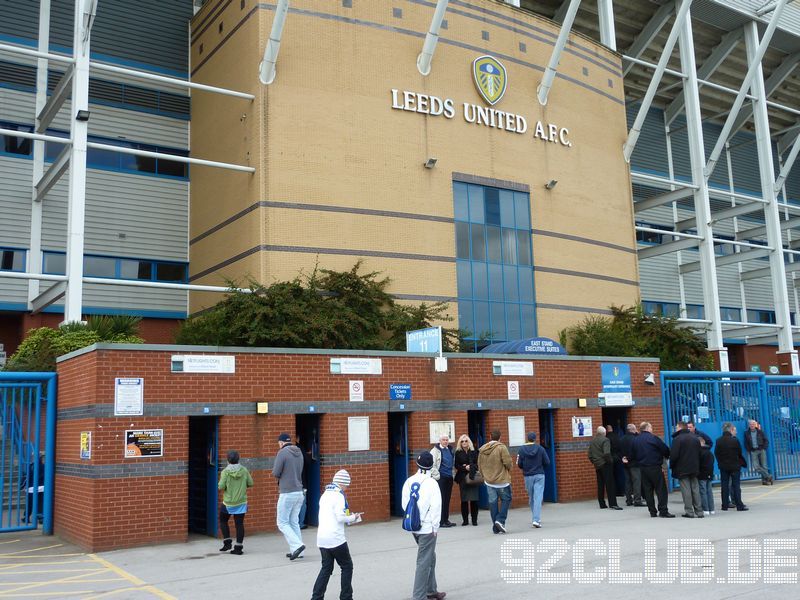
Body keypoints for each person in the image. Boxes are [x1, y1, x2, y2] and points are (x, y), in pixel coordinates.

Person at [311, 470, 363, 600]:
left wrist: (349, 517)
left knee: (326, 569)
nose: (347, 488)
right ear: (343, 483)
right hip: (335, 539)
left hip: (322, 538)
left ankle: (316, 597)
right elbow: (340, 518)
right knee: (347, 566)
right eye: (347, 485)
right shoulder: (339, 496)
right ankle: (346, 597)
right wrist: (353, 517)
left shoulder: (325, 494)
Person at [402, 451, 445, 600]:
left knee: (430, 557)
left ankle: (431, 589)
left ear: (417, 463)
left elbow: (404, 505)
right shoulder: (432, 483)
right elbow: (436, 507)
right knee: (424, 561)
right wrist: (435, 527)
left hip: (414, 527)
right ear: (431, 465)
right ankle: (419, 596)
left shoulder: (409, 481)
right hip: (427, 528)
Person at [273, 432, 306, 560]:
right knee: (294, 521)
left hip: (287, 492)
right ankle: (298, 551)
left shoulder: (282, 452)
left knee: (282, 522)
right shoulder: (299, 452)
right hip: (299, 491)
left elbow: (276, 472)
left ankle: (298, 545)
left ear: (281, 442)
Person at [631, 422, 675, 518]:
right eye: (651, 427)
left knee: (648, 490)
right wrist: (666, 456)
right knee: (661, 489)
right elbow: (665, 449)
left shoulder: (635, 440)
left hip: (642, 468)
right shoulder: (654, 438)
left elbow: (632, 454)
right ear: (647, 428)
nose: (652, 429)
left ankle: (652, 511)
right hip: (655, 467)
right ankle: (663, 510)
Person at [217, 449, 254, 555]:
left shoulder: (225, 472)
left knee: (223, 521)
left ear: (228, 460)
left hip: (228, 502)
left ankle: (227, 542)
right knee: (239, 524)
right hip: (241, 502)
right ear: (238, 459)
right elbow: (251, 483)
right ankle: (238, 548)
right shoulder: (244, 470)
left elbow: (221, 486)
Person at [478, 429, 513, 533]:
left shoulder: (482, 449)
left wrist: (484, 476)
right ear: (500, 437)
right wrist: (509, 469)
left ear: (490, 437)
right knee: (506, 500)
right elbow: (508, 462)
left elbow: (479, 465)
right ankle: (500, 520)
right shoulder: (501, 447)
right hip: (502, 481)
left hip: (489, 481)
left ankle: (496, 527)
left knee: (493, 503)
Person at [670, 421, 703, 518]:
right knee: (695, 489)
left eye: (676, 427)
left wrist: (672, 466)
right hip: (694, 467)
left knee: (686, 490)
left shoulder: (677, 439)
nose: (676, 429)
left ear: (680, 427)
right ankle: (699, 511)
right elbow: (700, 453)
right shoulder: (695, 438)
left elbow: (674, 455)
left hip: (682, 468)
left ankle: (689, 511)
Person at [517, 431, 550, 528]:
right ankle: (536, 519)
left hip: (528, 476)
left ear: (527, 438)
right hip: (539, 475)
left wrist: (525, 466)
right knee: (538, 497)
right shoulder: (540, 449)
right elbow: (547, 462)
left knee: (532, 497)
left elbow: (519, 464)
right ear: (535, 439)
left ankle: (535, 517)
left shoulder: (522, 449)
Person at [715, 423, 749, 511]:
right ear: (730, 430)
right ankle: (739, 505)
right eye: (734, 430)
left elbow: (717, 453)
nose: (736, 432)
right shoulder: (735, 440)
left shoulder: (719, 440)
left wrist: (720, 463)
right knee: (736, 485)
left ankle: (725, 505)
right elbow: (739, 452)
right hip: (735, 466)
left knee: (724, 485)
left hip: (723, 466)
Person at [588, 426, 621, 510]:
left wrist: (595, 462)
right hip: (605, 464)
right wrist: (610, 462)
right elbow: (607, 453)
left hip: (597, 465)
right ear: (604, 433)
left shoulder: (593, 441)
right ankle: (613, 504)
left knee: (600, 484)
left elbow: (590, 455)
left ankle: (602, 503)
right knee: (610, 484)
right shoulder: (605, 440)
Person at [454, 434, 479, 526]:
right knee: (464, 500)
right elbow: (456, 465)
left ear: (469, 442)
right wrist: (465, 468)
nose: (464, 442)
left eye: (466, 441)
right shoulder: (458, 452)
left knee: (474, 500)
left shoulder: (474, 451)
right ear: (460, 443)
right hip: (462, 478)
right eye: (462, 441)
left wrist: (470, 466)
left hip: (473, 478)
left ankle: (474, 520)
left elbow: (478, 464)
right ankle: (465, 520)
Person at [430, 434, 456, 527]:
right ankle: (441, 521)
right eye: (443, 440)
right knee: (441, 500)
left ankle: (446, 519)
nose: (445, 441)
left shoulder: (449, 449)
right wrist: (437, 476)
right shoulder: (435, 451)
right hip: (441, 478)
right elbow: (431, 465)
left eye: (446, 440)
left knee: (447, 499)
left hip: (449, 477)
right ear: (440, 441)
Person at [619, 424, 644, 507]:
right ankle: (637, 500)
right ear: (634, 429)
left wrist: (623, 458)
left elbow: (619, 451)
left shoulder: (622, 439)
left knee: (628, 482)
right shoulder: (635, 439)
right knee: (636, 481)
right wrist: (629, 458)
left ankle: (628, 500)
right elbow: (635, 452)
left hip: (625, 463)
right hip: (635, 463)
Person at [744, 419, 773, 485]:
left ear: (756, 425)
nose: (752, 425)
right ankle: (768, 476)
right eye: (751, 424)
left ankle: (765, 481)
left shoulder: (760, 432)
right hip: (753, 451)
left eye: (753, 424)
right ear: (749, 425)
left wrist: (764, 448)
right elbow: (746, 442)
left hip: (761, 450)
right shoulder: (746, 433)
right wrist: (749, 449)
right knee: (756, 467)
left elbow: (766, 440)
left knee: (764, 466)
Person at [698, 437, 715, 516]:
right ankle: (712, 509)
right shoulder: (709, 452)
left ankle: (705, 509)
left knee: (703, 492)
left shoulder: (699, 453)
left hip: (701, 475)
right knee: (709, 492)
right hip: (709, 474)